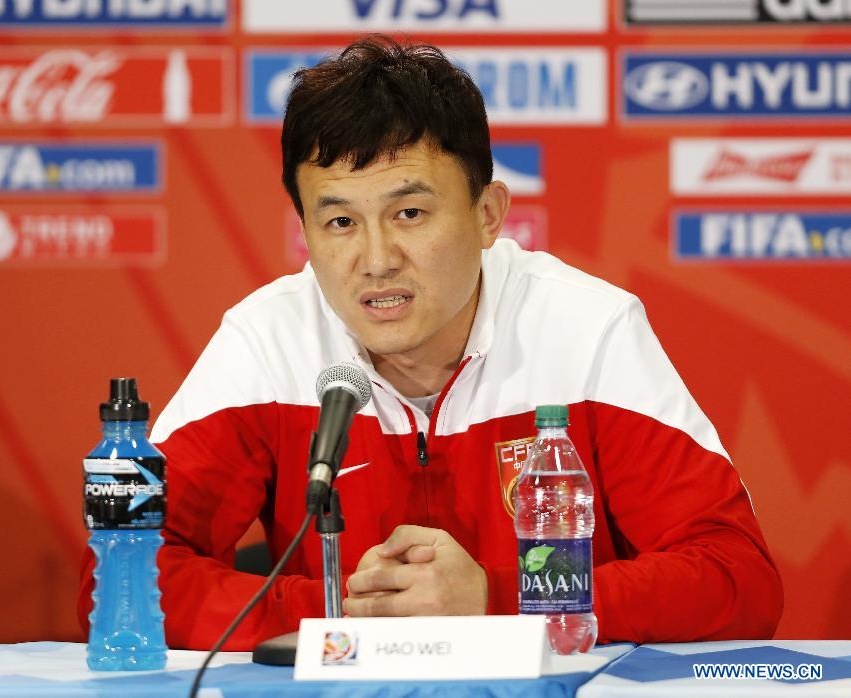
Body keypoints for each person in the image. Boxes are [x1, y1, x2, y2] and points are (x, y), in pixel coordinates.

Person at [77, 36, 783, 649]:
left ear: (488, 214)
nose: (377, 259)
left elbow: (735, 577)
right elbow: (117, 579)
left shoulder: (586, 329)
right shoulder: (268, 338)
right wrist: (345, 615)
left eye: (409, 212)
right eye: (340, 222)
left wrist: (497, 602)